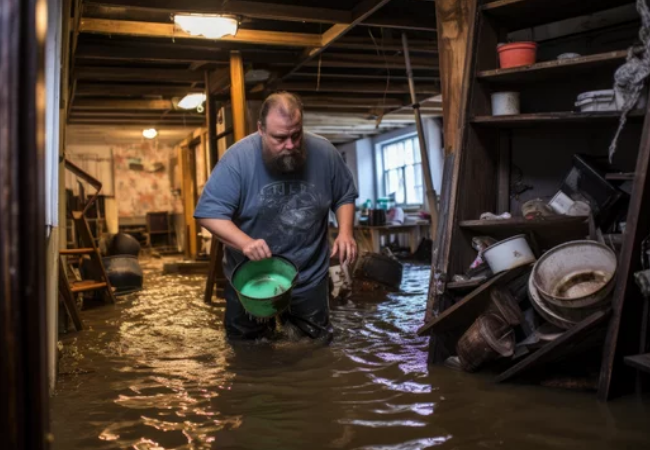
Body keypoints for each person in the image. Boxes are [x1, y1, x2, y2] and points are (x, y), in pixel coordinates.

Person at [194, 92, 358, 341]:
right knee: (248, 353)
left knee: (313, 351)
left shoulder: (325, 153)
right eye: (280, 138)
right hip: (252, 280)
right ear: (261, 129)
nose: (290, 145)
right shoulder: (237, 160)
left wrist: (346, 232)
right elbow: (208, 214)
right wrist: (244, 242)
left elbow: (344, 194)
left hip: (309, 276)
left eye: (296, 135)